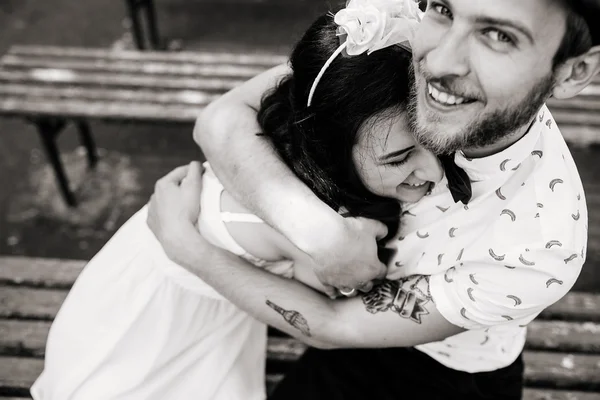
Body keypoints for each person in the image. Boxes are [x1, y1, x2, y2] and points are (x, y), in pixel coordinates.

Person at [148, 0, 600, 399]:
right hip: (333, 330)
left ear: (574, 71)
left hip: (442, 370)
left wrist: (187, 249)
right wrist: (321, 234)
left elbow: (334, 324)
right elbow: (221, 119)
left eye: (498, 35)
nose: (438, 61)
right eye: (443, 7)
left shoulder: (541, 246)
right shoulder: (399, 33)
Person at [30, 5, 441, 400]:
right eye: (400, 156)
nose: (437, 171)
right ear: (333, 145)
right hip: (165, 313)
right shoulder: (326, 225)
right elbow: (324, 317)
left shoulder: (292, 142)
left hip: (139, 275)